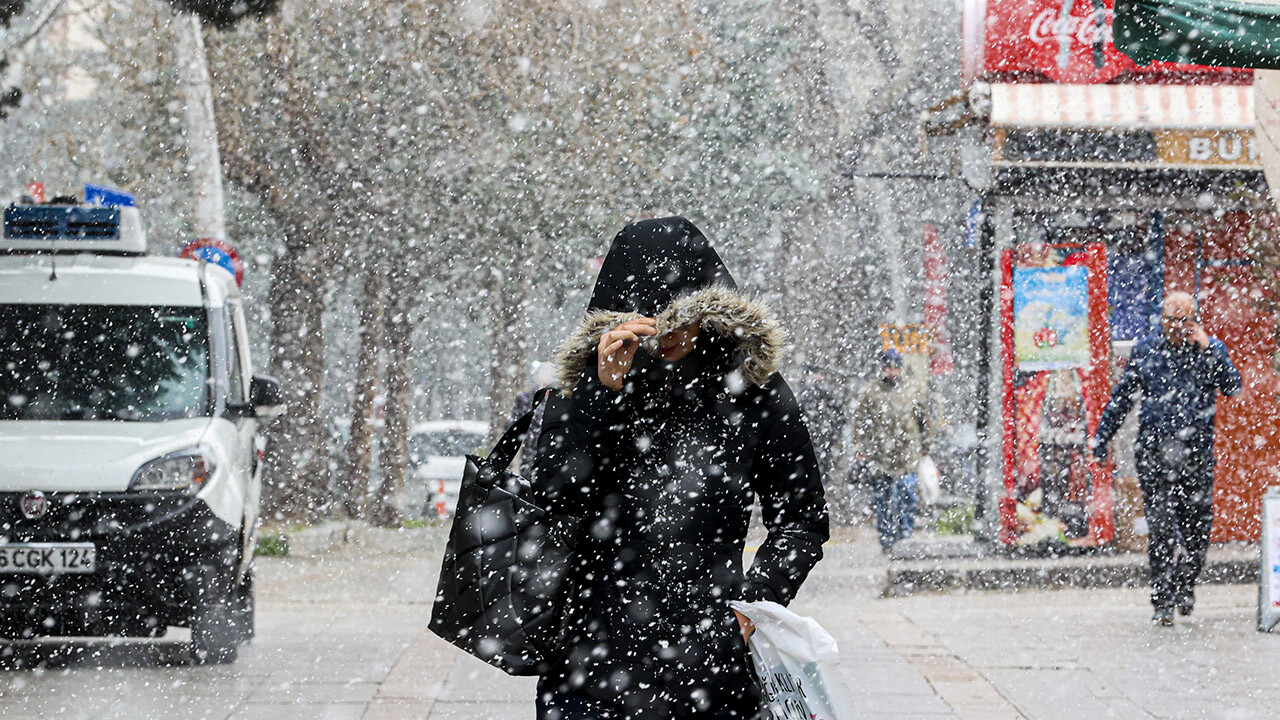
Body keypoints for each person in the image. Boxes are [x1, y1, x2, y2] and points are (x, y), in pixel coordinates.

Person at [531, 216, 829, 719]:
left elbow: (801, 520)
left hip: (711, 667)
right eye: (650, 316)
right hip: (589, 665)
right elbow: (553, 505)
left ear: (708, 306)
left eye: (680, 315)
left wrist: (754, 602)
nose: (667, 332)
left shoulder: (753, 390)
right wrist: (599, 395)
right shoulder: (586, 390)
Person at [1091, 291, 1241, 626]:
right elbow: (1121, 400)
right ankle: (1161, 600)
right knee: (1160, 529)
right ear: (1161, 319)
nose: (1174, 327)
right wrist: (1102, 440)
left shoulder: (1209, 351)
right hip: (1155, 453)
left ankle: (1185, 584)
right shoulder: (1147, 350)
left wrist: (1209, 348)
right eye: (1169, 319)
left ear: (1193, 320)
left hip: (1196, 455)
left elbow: (1232, 386)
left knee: (1197, 530)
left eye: (1182, 319)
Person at [852, 349, 928, 553]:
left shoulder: (913, 390)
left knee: (907, 495)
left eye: (895, 367)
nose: (892, 371)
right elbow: (860, 421)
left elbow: (924, 420)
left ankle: (906, 536)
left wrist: (926, 444)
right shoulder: (872, 392)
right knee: (883, 499)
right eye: (888, 367)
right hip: (880, 455)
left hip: (907, 453)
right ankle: (887, 540)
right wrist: (861, 446)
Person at [796, 363, 846, 484]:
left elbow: (840, 420)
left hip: (817, 449)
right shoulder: (805, 397)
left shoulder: (823, 398)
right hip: (816, 449)